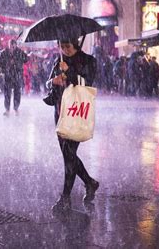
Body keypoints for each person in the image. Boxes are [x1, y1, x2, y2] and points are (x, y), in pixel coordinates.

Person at [46, 37, 99, 212]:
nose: (65, 50)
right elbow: (48, 84)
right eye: (62, 47)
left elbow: (87, 84)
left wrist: (69, 73)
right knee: (67, 156)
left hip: (76, 113)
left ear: (75, 44)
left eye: (67, 46)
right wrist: (54, 82)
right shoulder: (58, 61)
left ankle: (66, 198)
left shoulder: (88, 61)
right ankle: (90, 182)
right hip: (60, 113)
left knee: (69, 155)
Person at [0, 39, 28, 116]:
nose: (12, 47)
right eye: (11, 45)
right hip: (8, 76)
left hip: (17, 75)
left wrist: (17, 62)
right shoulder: (4, 53)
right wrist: (6, 66)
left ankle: (16, 108)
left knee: (17, 93)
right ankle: (7, 109)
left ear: (16, 45)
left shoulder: (19, 52)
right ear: (9, 45)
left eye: (14, 45)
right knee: (7, 93)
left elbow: (26, 59)